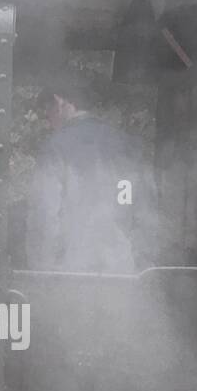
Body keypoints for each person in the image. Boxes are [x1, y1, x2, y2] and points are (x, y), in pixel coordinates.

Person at [28, 77, 156, 273]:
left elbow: (45, 215)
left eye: (47, 111)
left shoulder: (56, 147)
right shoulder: (128, 145)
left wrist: (42, 268)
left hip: (72, 273)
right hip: (122, 271)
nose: (48, 120)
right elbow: (145, 212)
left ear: (59, 103)